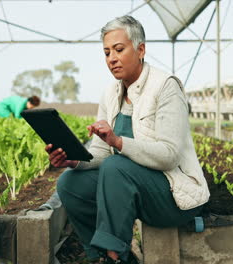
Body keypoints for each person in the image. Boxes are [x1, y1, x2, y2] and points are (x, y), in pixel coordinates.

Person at [46, 16, 209, 264]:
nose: (112, 58)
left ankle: (115, 256)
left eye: (119, 50)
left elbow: (169, 155)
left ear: (140, 49)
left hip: (172, 194)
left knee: (116, 166)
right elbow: (100, 154)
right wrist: (73, 161)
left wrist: (119, 141)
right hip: (130, 187)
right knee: (70, 184)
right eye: (107, 52)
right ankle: (100, 255)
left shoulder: (166, 87)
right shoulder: (110, 93)